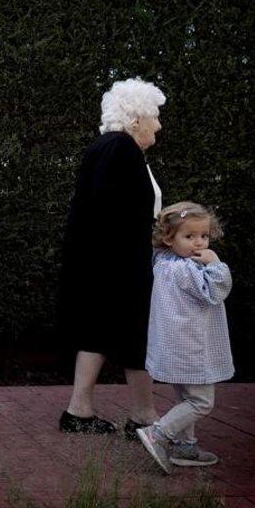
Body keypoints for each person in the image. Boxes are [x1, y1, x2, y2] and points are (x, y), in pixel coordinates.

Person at [58, 78, 167, 437]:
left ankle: (80, 411)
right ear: (136, 119)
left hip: (103, 262)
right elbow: (114, 213)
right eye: (155, 117)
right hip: (120, 263)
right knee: (137, 335)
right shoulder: (122, 150)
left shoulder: (108, 147)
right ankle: (144, 417)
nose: (159, 125)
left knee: (99, 332)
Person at [136, 202, 233, 474]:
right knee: (201, 402)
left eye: (203, 236)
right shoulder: (187, 269)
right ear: (169, 238)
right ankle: (158, 433)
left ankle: (185, 447)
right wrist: (216, 264)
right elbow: (215, 291)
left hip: (174, 346)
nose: (198, 243)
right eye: (188, 237)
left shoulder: (164, 262)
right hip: (192, 347)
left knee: (185, 400)